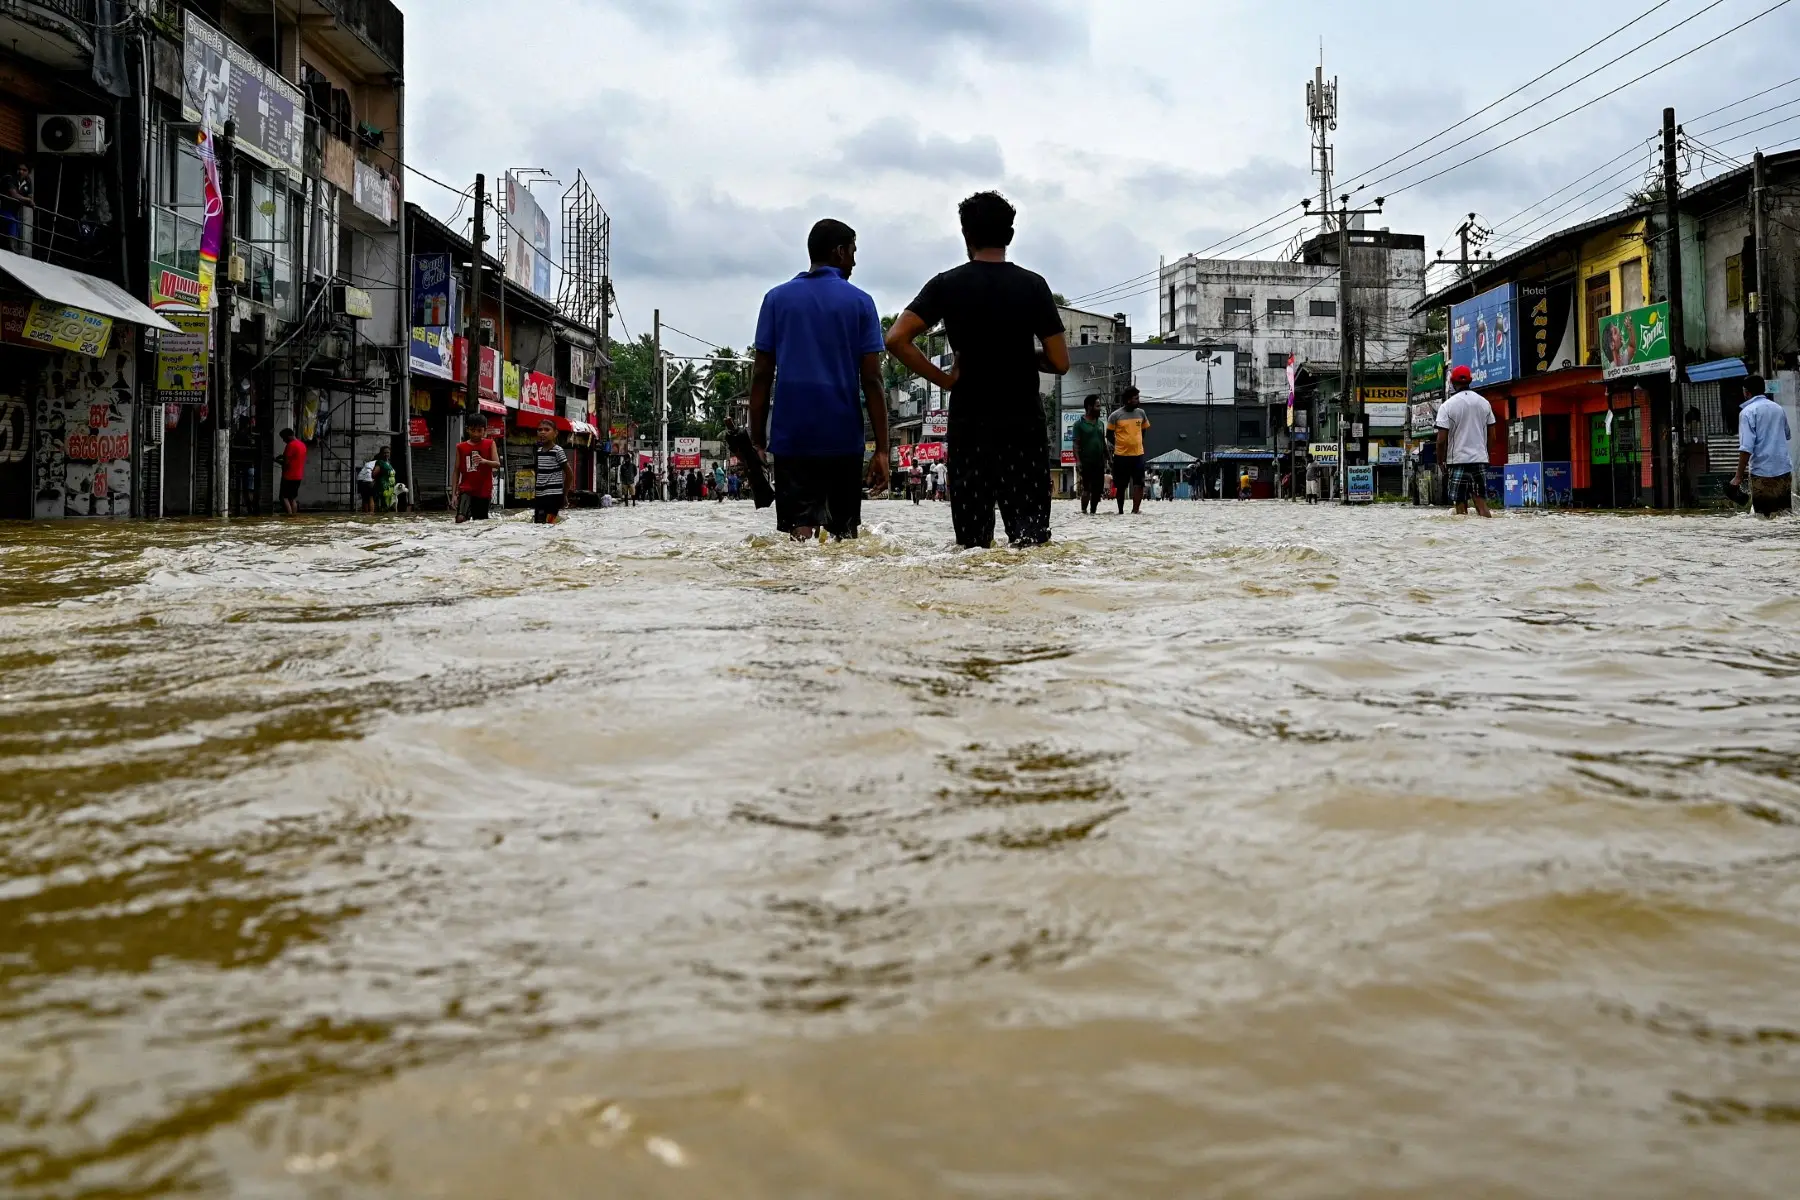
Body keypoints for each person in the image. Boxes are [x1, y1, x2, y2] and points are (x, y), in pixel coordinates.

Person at [887, 192, 1067, 548]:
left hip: (971, 426)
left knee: (972, 547)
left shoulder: (947, 284)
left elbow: (896, 339)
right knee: (1030, 543)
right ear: (1010, 236)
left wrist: (946, 379)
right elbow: (1060, 361)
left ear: (966, 235)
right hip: (1022, 427)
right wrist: (1023, 354)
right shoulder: (1033, 285)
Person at [749, 218, 889, 541]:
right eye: (853, 252)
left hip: (791, 438)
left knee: (799, 534)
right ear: (839, 252)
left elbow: (760, 377)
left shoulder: (775, 300)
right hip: (843, 438)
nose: (855, 261)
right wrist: (882, 450)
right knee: (844, 537)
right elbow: (873, 381)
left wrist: (757, 441)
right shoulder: (861, 303)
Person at [1435, 364, 1495, 517]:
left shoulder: (1447, 406)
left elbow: (1441, 440)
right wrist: (1487, 456)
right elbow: (1492, 435)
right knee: (1481, 502)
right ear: (1470, 381)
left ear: (1452, 382)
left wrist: (1440, 461)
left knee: (1460, 506)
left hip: (1458, 461)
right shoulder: (1484, 403)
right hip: (1480, 459)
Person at [1731, 373, 1792, 518]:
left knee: (1763, 519)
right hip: (1784, 471)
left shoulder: (1747, 413)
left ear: (1746, 392)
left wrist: (1738, 476)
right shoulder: (1778, 409)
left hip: (1762, 473)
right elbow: (1787, 434)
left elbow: (1746, 448)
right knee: (1785, 516)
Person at [1107, 386, 1150, 514]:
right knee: (1121, 485)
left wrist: (1137, 443)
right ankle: (1120, 511)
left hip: (1138, 455)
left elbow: (1143, 430)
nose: (1138, 400)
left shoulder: (1141, 413)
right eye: (1136, 398)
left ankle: (1135, 511)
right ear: (1128, 400)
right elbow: (1109, 434)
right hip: (1121, 456)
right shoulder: (1115, 416)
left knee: (1139, 483)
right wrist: (1119, 444)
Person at [454, 413, 500, 522]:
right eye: (473, 430)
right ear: (467, 430)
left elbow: (497, 464)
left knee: (480, 522)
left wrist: (484, 461)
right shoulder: (461, 447)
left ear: (485, 430)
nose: (476, 434)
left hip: (483, 490)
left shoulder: (490, 443)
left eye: (479, 431)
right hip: (466, 488)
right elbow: (456, 471)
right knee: (460, 518)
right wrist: (454, 494)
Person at [1072, 393, 1108, 514]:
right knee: (1086, 488)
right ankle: (1083, 511)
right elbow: (1076, 445)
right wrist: (1078, 461)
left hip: (1099, 462)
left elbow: (1103, 442)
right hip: (1086, 462)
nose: (1099, 409)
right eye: (1097, 406)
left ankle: (1093, 512)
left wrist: (1109, 459)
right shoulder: (1079, 424)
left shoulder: (1100, 424)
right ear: (1089, 407)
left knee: (1097, 490)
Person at [532, 420, 573, 524]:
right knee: (538, 524)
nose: (542, 432)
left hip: (554, 497)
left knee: (550, 524)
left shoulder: (558, 451)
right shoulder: (539, 451)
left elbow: (569, 474)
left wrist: (564, 495)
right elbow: (539, 473)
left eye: (547, 430)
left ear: (555, 433)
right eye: (540, 430)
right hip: (540, 496)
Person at [275, 427, 306, 515]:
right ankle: (294, 517)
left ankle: (289, 516)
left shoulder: (290, 445)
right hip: (298, 476)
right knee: (292, 498)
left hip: (288, 476)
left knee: (284, 497)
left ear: (288, 436)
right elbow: (295, 458)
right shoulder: (302, 445)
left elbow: (286, 463)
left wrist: (275, 460)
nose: (283, 441)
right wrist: (282, 456)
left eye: (284, 438)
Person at [372, 446, 397, 512]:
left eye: (388, 453)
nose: (386, 454)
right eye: (384, 453)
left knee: (390, 507)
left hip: (390, 489)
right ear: (381, 454)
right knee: (384, 508)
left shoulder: (388, 463)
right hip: (383, 489)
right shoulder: (380, 462)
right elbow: (373, 474)